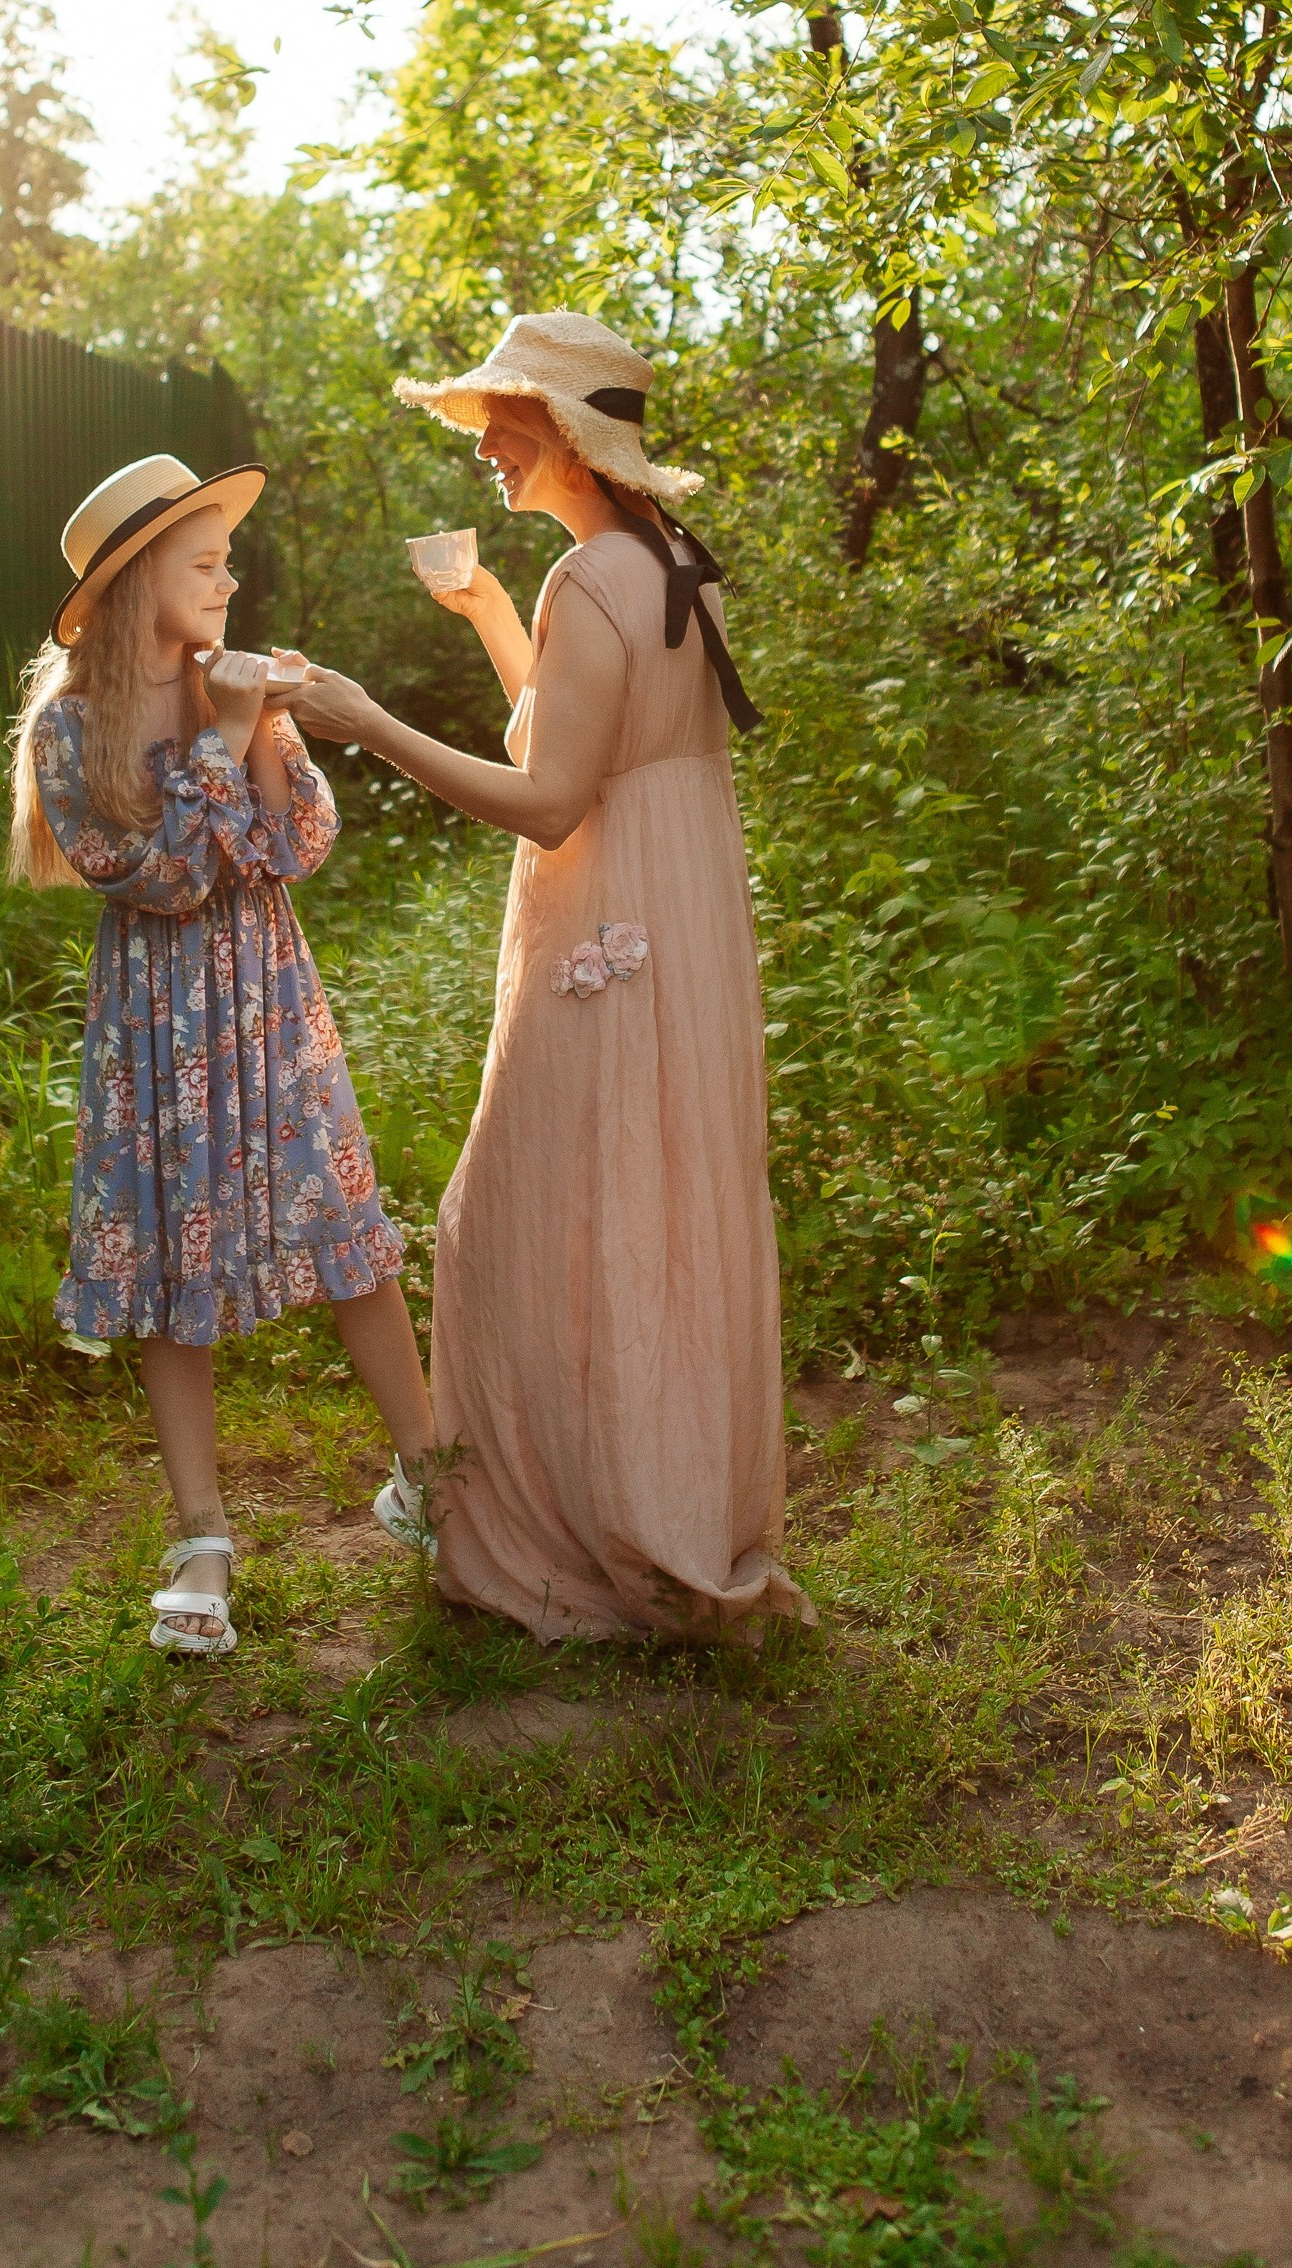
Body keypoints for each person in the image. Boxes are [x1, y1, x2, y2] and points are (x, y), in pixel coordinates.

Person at [290, 316, 807, 1646]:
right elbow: (589, 736)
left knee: (522, 1212)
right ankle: (663, 1505)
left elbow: (550, 803)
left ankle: (572, 1528)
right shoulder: (667, 562)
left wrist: (368, 724)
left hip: (608, 923)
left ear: (570, 434)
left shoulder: (596, 578)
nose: (487, 453)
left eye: (505, 425)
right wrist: (487, 616)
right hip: (676, 911)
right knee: (653, 1203)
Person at [10, 451, 437, 1658]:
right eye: (205, 562)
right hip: (155, 1026)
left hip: (267, 1001)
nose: (229, 577)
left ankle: (432, 1477)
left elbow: (298, 842)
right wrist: (229, 731)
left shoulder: (232, 688)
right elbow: (162, 875)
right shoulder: (70, 729)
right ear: (141, 580)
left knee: (346, 1226)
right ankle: (201, 1534)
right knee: (163, 1257)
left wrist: (258, 725)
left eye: (224, 558)